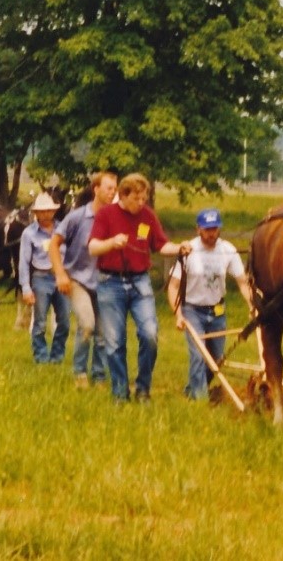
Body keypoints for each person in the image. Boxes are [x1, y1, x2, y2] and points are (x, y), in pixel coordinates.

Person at [88, 172, 192, 403]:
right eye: (137, 198)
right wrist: (112, 243)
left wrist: (179, 248)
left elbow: (160, 245)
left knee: (150, 334)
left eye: (144, 198)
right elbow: (93, 247)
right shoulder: (106, 215)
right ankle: (120, 391)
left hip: (139, 281)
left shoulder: (147, 216)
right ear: (123, 195)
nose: (142, 203)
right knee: (114, 342)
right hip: (110, 282)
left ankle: (143, 388)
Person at [167, 208, 253, 400]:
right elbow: (172, 287)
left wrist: (251, 305)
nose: (212, 233)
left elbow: (242, 282)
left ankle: (192, 392)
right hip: (192, 310)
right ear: (198, 229)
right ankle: (201, 401)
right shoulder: (188, 250)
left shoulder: (227, 250)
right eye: (207, 229)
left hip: (217, 311)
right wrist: (178, 314)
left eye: (215, 229)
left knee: (216, 359)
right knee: (198, 356)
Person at [49, 171, 118, 388]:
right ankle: (80, 372)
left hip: (105, 281)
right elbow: (53, 244)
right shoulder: (77, 217)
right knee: (87, 324)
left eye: (115, 189)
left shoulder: (114, 219)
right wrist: (60, 274)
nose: (112, 192)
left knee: (103, 333)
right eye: (109, 188)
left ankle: (99, 376)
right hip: (78, 280)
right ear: (96, 189)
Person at [19, 192, 70, 364]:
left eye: (48, 210)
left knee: (64, 320)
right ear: (36, 213)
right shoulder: (29, 234)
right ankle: (41, 357)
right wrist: (26, 287)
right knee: (40, 321)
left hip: (61, 277)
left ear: (54, 211)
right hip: (41, 278)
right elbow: (24, 262)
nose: (45, 214)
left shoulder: (63, 229)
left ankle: (57, 356)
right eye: (41, 211)